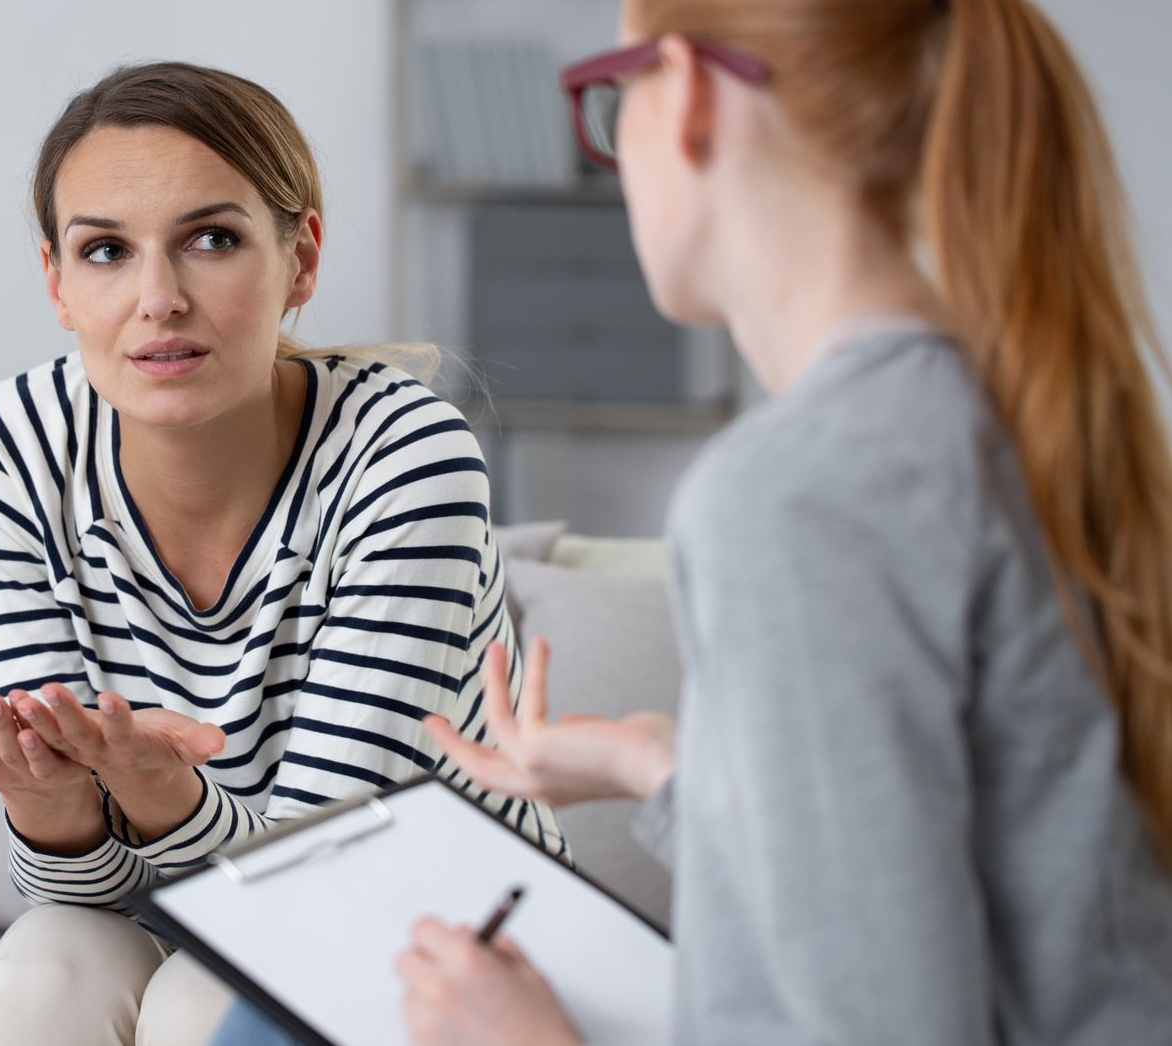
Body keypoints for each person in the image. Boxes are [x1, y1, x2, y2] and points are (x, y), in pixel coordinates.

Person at [212, 0, 1172, 1042]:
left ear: (689, 95)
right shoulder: (1002, 420)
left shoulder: (803, 490)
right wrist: (658, 767)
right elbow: (942, 881)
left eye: (607, 92)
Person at [0, 61, 563, 1046]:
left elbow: (324, 879)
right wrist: (53, 808)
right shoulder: (4, 449)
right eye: (106, 250)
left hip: (439, 934)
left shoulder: (405, 456)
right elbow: (74, 888)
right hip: (180, 906)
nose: (158, 298)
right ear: (57, 283)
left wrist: (162, 798)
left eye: (211, 239)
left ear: (301, 257)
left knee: (201, 999)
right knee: (49, 965)